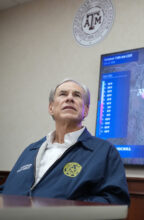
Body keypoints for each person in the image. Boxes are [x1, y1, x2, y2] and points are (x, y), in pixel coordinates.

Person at [0, 79, 130, 204]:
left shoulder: (104, 152)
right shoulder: (30, 150)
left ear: (86, 110)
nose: (69, 98)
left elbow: (115, 200)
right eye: (63, 94)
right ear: (51, 108)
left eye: (77, 95)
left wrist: (63, 211)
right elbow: (6, 189)